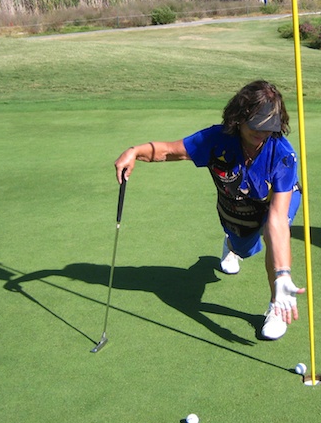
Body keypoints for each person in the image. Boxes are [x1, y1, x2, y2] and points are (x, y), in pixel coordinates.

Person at [114, 80, 305, 340]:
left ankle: (275, 306)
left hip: (278, 200)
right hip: (237, 203)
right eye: (256, 126)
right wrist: (135, 152)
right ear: (239, 118)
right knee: (244, 248)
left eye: (269, 128)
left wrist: (283, 274)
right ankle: (232, 245)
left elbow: (277, 221)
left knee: (272, 235)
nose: (262, 134)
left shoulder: (283, 154)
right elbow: (171, 151)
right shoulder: (217, 139)